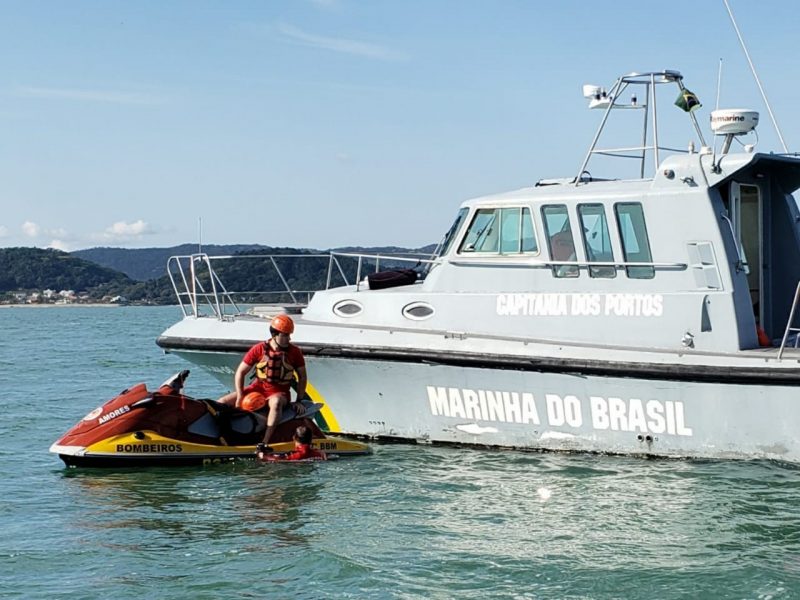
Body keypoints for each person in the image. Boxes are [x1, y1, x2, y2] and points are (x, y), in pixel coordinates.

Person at [218, 314, 307, 451]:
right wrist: (240, 396)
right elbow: (240, 372)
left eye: (289, 335)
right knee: (221, 403)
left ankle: (264, 442)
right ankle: (223, 437)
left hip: (279, 392)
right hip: (257, 388)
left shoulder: (295, 352)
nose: (289, 338)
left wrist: (299, 400)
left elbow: (302, 377)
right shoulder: (259, 349)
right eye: (285, 335)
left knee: (276, 403)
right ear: (274, 334)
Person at [258, 425, 327, 461]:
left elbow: (276, 459)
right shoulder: (321, 453)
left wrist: (262, 455)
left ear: (294, 438)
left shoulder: (292, 455)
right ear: (311, 439)